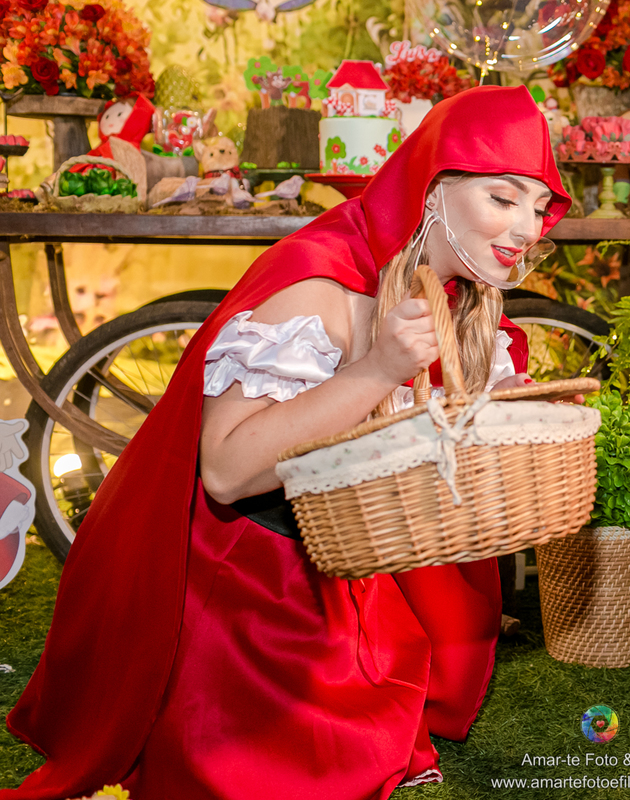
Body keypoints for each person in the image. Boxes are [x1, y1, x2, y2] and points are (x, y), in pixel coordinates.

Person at [4, 85, 571, 799]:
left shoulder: (462, 295)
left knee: (378, 719)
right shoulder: (318, 285)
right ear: (434, 190)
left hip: (347, 558)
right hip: (243, 575)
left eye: (540, 205)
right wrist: (377, 371)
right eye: (504, 197)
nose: (528, 226)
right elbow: (227, 471)